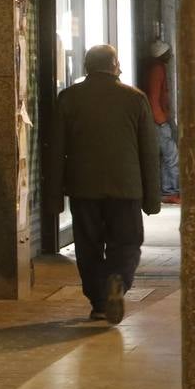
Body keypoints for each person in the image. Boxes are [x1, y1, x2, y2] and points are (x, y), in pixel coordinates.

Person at [45, 45, 159, 323]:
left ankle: (98, 302)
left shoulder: (68, 99)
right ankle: (117, 279)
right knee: (127, 242)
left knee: (88, 245)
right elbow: (148, 151)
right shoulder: (135, 99)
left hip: (83, 187)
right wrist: (152, 197)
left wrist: (53, 196)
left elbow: (55, 150)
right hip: (126, 187)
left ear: (86, 67)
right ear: (114, 65)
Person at [145, 39, 180, 204]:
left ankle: (168, 190)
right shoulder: (158, 70)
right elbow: (154, 98)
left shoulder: (156, 68)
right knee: (172, 156)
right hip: (159, 120)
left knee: (167, 157)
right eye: (168, 52)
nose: (170, 55)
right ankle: (170, 191)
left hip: (158, 119)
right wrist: (162, 121)